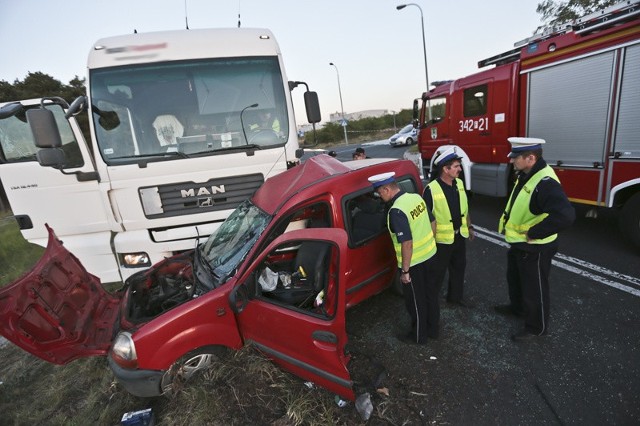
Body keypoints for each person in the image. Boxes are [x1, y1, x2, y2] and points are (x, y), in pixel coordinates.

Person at [496, 137, 575, 341]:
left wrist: (535, 232)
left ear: (530, 158)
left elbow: (565, 215)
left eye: (516, 157)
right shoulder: (527, 172)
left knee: (535, 288)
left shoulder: (545, 182)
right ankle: (518, 309)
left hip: (535, 247)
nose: (512, 161)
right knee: (515, 278)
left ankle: (536, 328)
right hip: (519, 243)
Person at [368, 171, 438, 344]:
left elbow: (406, 243)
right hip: (430, 255)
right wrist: (431, 244)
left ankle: (419, 336)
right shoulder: (415, 198)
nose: (379, 196)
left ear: (386, 189)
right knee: (431, 295)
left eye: (379, 192)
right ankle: (433, 330)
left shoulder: (396, 211)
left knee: (415, 302)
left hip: (414, 264)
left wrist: (405, 271)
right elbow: (433, 221)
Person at [424, 147, 474, 308]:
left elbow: (465, 208)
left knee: (459, 268)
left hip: (459, 237)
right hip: (441, 242)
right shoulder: (431, 190)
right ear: (445, 169)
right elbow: (427, 219)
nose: (460, 169)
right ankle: (430, 303)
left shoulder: (459, 183)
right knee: (436, 274)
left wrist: (470, 226)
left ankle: (455, 297)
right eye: (456, 166)